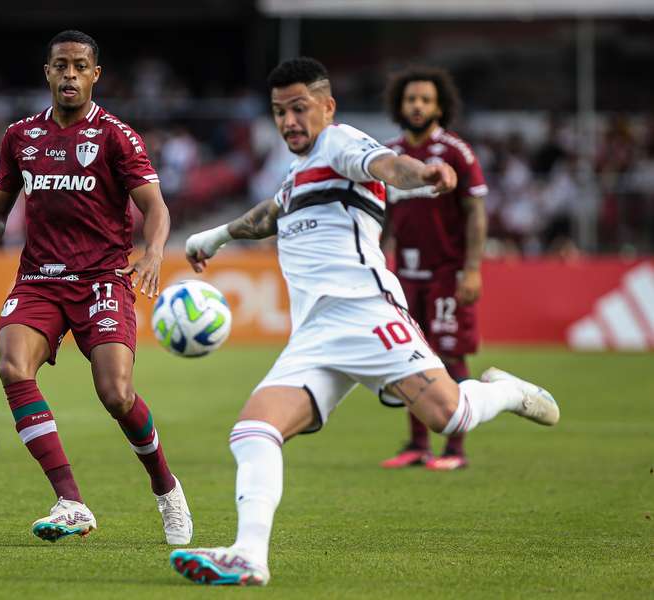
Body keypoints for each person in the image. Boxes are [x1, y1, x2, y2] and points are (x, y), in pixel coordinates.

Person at [171, 57, 559, 587]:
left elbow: (387, 165)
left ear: (327, 107)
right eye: (279, 111)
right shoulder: (297, 172)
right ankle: (248, 555)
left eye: (300, 108)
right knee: (253, 430)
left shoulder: (340, 143)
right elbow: (270, 212)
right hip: (314, 335)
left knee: (451, 417)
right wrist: (215, 236)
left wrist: (424, 175)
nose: (289, 121)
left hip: (366, 314)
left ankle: (509, 391)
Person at [0, 30, 192, 545]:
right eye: (60, 66)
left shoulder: (116, 135)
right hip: (40, 279)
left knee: (116, 394)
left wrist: (154, 251)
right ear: (47, 72)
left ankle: (165, 486)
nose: (69, 75)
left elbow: (155, 207)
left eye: (79, 67)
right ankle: (70, 500)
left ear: (96, 75)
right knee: (9, 365)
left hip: (102, 280)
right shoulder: (20, 136)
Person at [379, 67, 489, 471]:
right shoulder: (390, 157)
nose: (418, 106)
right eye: (411, 99)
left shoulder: (456, 152)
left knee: (449, 355)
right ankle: (417, 444)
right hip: (405, 275)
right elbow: (382, 216)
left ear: (440, 105)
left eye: (425, 99)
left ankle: (455, 450)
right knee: (409, 355)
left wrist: (472, 268)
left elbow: (476, 211)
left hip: (448, 272)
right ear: (399, 105)